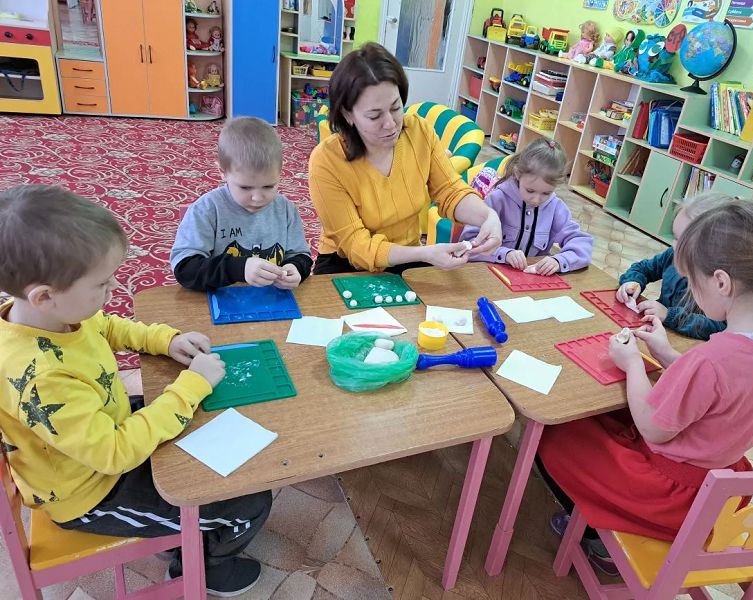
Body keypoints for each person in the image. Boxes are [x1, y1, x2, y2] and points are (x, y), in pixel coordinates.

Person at [0, 185, 270, 596]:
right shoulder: (41, 380)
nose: (113, 288)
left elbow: (107, 325)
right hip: (93, 494)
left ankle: (179, 528)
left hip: (103, 436)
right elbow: (115, 453)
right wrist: (190, 386)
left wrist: (166, 340)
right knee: (248, 499)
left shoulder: (49, 315)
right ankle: (208, 567)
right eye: (101, 284)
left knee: (211, 425)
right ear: (45, 296)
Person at [538, 199, 753, 576]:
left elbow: (652, 427)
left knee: (555, 435)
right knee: (605, 420)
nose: (690, 289)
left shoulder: (712, 359)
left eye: (692, 280)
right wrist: (665, 352)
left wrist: (632, 364)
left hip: (670, 495)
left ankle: (600, 536)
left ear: (721, 282)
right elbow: (719, 398)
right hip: (717, 488)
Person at [309, 42, 502, 275]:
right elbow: (355, 245)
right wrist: (424, 254)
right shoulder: (327, 161)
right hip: (346, 261)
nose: (390, 124)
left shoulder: (418, 131)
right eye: (374, 116)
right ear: (347, 114)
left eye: (395, 107)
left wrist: (488, 216)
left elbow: (450, 191)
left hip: (408, 254)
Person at [171, 117, 312, 291]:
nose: (257, 198)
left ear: (280, 173)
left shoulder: (286, 210)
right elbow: (185, 269)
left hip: (272, 300)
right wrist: (238, 268)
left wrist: (296, 268)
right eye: (245, 187)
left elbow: (301, 255)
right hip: (218, 299)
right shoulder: (206, 210)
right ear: (222, 172)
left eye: (269, 186)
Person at [460, 139, 592, 275]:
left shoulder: (555, 207)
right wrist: (504, 254)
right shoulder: (497, 199)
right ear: (518, 174)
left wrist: (560, 261)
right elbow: (469, 244)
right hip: (489, 275)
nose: (536, 200)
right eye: (530, 190)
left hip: (531, 280)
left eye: (546, 193)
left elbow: (582, 243)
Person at [616, 191, 728, 340]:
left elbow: (719, 328)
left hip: (686, 344)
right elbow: (643, 268)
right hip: (658, 332)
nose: (675, 246)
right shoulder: (673, 255)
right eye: (675, 237)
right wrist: (633, 282)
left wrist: (669, 315)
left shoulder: (719, 283)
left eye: (683, 242)